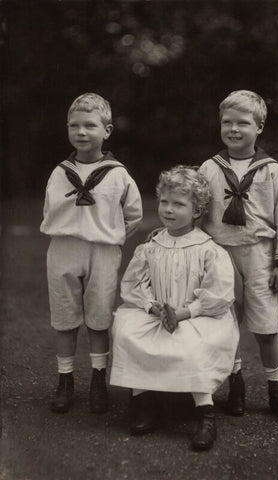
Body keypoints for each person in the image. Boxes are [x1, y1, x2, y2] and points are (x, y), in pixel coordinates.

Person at [110, 166, 239, 450]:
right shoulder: (152, 245)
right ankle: (144, 402)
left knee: (191, 342)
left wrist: (185, 312)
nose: (168, 209)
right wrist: (151, 306)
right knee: (126, 328)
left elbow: (219, 294)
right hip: (159, 312)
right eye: (164, 202)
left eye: (179, 204)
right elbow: (133, 284)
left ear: (196, 211)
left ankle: (204, 411)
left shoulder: (208, 249)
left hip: (196, 314)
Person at [40, 93, 142, 414]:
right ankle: (65, 379)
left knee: (99, 318)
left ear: (107, 131)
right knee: (65, 318)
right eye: (74, 126)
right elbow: (49, 209)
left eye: (89, 126)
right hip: (64, 248)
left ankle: (98, 379)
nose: (81, 132)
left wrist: (113, 238)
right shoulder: (60, 172)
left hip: (103, 250)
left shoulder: (117, 173)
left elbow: (134, 214)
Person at [199, 90, 278, 424]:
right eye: (227, 122)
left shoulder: (270, 170)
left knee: (266, 326)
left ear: (260, 127)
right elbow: (197, 211)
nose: (234, 129)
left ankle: (276, 391)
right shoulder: (210, 168)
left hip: (259, 253)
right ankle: (235, 385)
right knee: (226, 323)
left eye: (243, 123)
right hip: (220, 251)